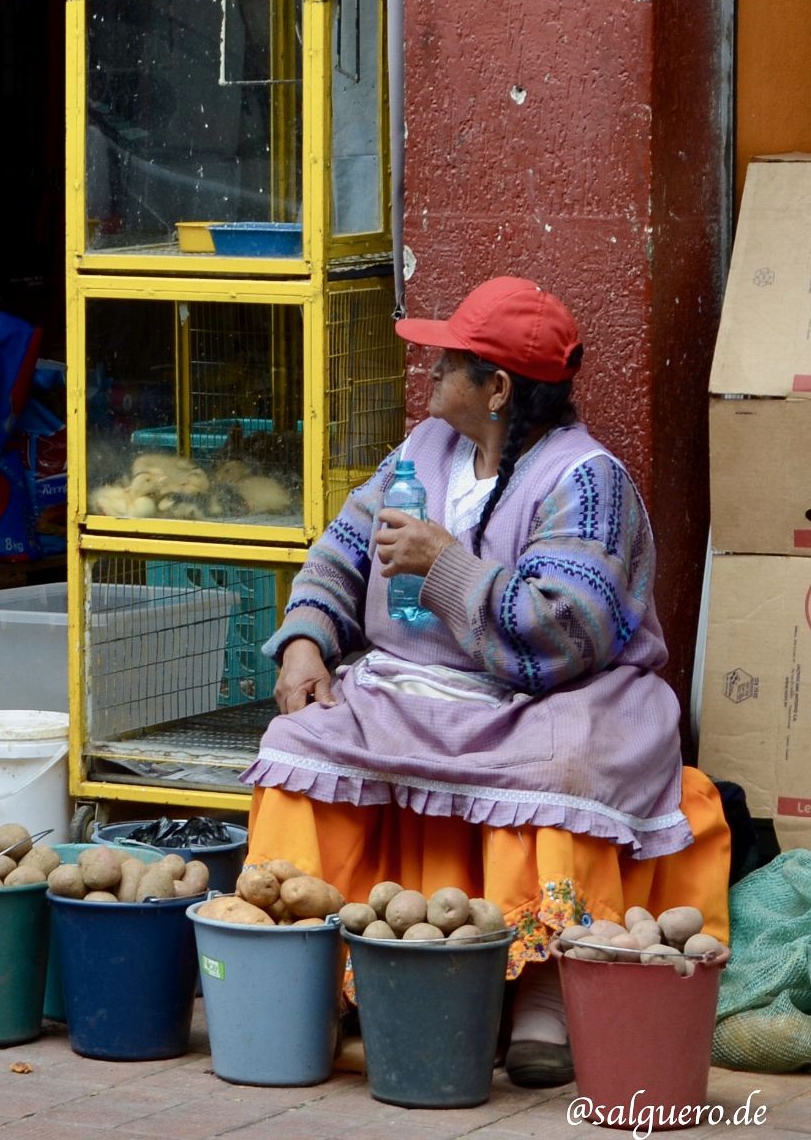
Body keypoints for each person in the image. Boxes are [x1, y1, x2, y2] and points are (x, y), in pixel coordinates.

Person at [245, 277, 731, 1088]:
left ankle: (544, 985)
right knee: (299, 737)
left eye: (448, 361)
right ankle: (319, 967)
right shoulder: (421, 452)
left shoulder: (587, 482)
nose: (428, 372)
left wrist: (447, 566)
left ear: (498, 389)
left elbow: (567, 634)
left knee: (566, 765)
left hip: (553, 694)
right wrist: (305, 639)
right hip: (416, 686)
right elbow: (343, 549)